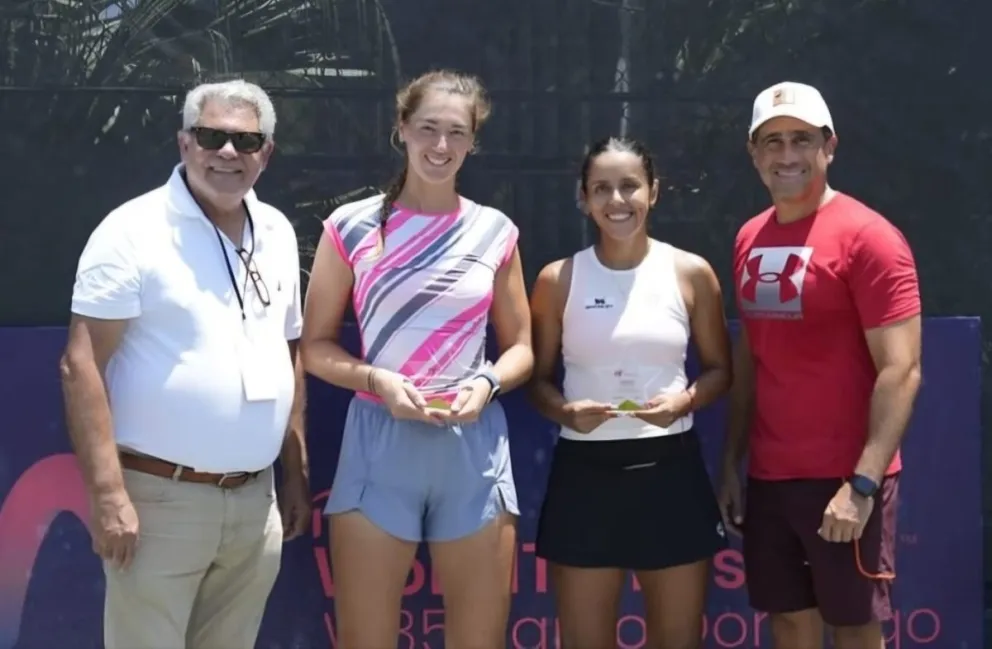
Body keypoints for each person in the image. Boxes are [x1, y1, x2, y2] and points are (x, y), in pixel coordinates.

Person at [59, 79, 311, 649]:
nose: (228, 152)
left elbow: (287, 353)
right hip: (157, 503)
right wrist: (107, 495)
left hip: (255, 501)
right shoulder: (132, 231)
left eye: (246, 141)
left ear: (265, 154)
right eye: (211, 136)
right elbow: (80, 365)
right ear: (184, 143)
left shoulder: (275, 230)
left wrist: (294, 474)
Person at [300, 69, 533, 649]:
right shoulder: (349, 227)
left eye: (457, 132)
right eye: (428, 128)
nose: (441, 146)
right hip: (378, 441)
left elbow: (523, 350)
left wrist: (486, 383)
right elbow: (315, 348)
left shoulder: (495, 231)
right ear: (401, 129)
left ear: (473, 141)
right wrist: (378, 381)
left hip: (473, 442)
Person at [718, 81, 922, 649]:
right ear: (754, 154)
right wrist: (732, 462)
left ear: (829, 146)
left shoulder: (871, 238)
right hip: (770, 479)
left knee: (855, 627)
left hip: (844, 478)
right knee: (787, 622)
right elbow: (753, 356)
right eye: (773, 141)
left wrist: (861, 484)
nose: (787, 155)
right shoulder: (748, 238)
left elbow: (901, 370)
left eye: (802, 140)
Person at [528, 136, 733, 649]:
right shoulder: (557, 279)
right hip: (584, 477)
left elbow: (718, 371)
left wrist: (685, 402)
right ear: (584, 198)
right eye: (602, 189)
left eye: (629, 187)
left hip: (671, 472)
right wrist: (565, 412)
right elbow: (536, 380)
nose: (616, 201)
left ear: (654, 192)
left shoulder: (691, 273)